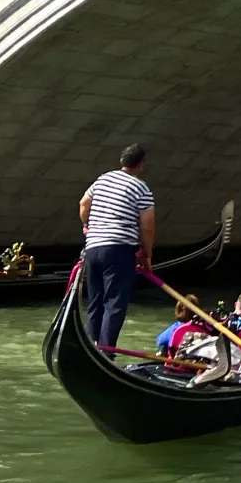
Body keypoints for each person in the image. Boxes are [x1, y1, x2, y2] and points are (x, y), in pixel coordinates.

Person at [77, 144, 155, 355]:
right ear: (141, 164)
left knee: (96, 302)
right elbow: (147, 226)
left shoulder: (102, 179)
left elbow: (84, 204)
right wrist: (146, 255)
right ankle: (105, 351)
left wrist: (87, 225)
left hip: (93, 249)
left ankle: (91, 347)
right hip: (119, 250)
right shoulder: (142, 188)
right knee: (114, 304)